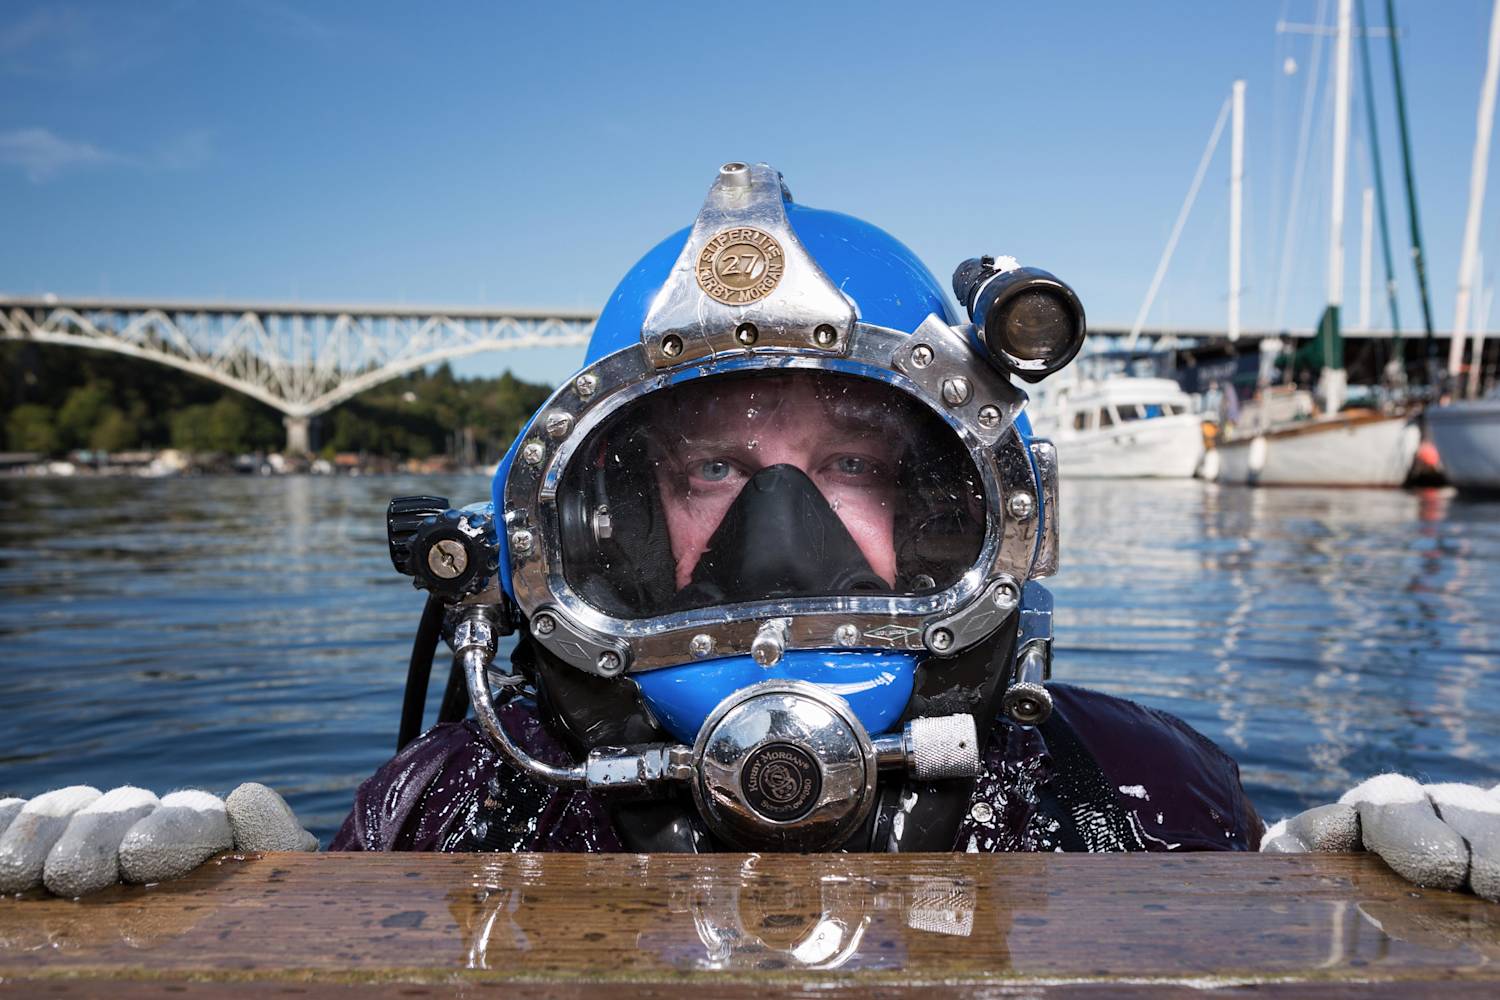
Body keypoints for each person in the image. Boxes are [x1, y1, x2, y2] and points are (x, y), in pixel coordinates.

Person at [3, 163, 1494, 897]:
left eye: (852, 460)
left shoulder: (1142, 796)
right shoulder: (454, 805)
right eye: (713, 469)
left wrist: (1318, 907)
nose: (786, 532)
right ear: (591, 516)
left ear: (967, 499)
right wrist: (258, 901)